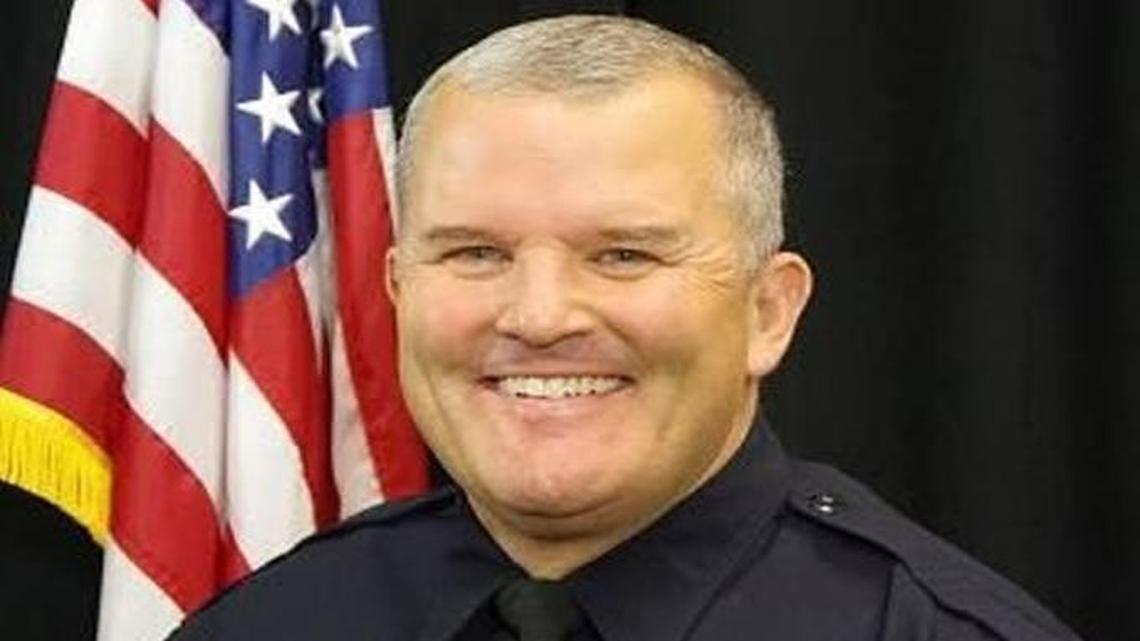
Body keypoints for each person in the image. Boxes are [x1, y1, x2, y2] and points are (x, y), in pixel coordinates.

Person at [168, 15, 1082, 641]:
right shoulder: (274, 622)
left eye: (623, 255)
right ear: (400, 292)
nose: (539, 316)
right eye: (476, 253)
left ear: (768, 310)